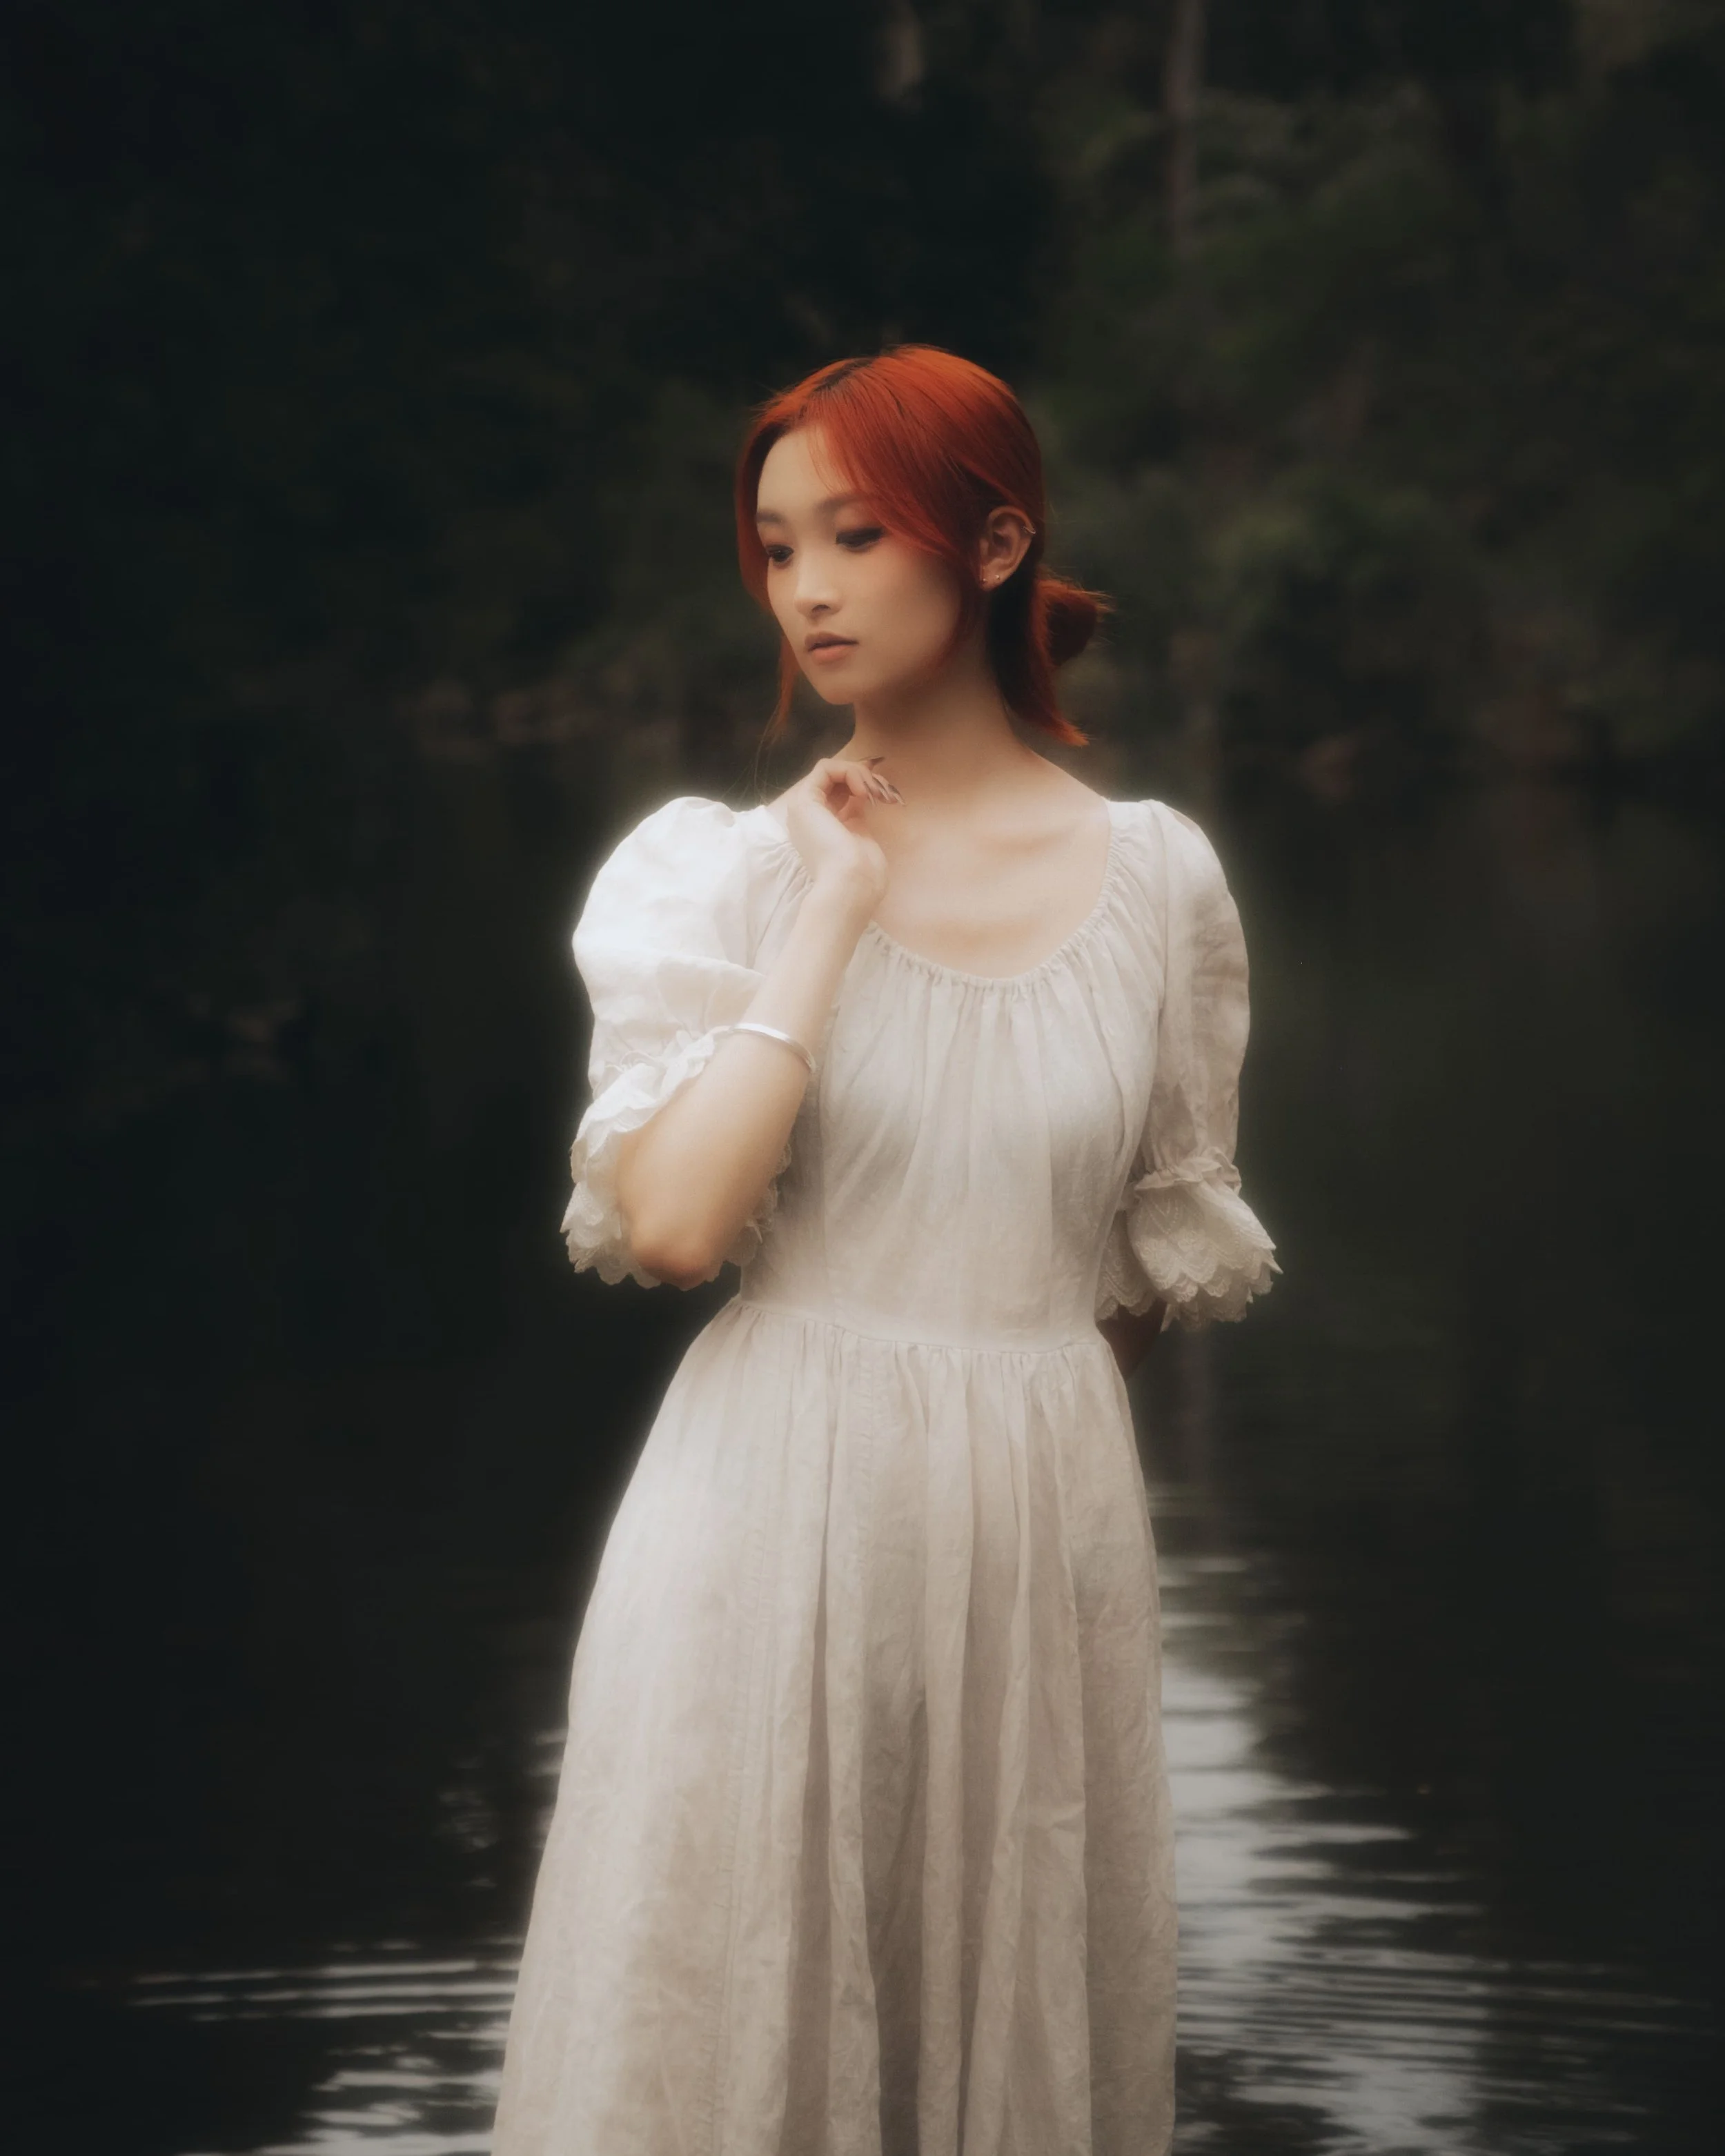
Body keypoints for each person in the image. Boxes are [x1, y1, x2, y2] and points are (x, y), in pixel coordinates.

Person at [491, 346, 1277, 2155]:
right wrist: (832, 918)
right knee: (730, 2030)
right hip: (762, 1521)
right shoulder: (722, 878)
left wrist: (991, 1417)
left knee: (992, 2042)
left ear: (993, 540)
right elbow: (679, 1222)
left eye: (856, 532)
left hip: (1036, 1537)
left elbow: (1143, 1267)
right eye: (777, 547)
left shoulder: (1161, 884)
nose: (810, 587)